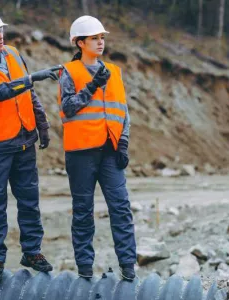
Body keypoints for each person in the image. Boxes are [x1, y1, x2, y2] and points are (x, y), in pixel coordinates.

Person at [0, 9, 58, 282]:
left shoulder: (12, 54)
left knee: (29, 201)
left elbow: (28, 93)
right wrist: (32, 77)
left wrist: (42, 123)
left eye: (1, 31)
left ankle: (32, 251)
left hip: (24, 140)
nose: (0, 36)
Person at [58, 15, 137, 281]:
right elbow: (67, 108)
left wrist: (123, 142)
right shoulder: (69, 72)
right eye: (94, 38)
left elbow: (122, 111)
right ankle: (85, 270)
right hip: (80, 154)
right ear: (80, 43)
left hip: (110, 152)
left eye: (102, 37)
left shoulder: (114, 71)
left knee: (121, 207)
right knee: (83, 212)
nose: (100, 42)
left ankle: (128, 267)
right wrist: (93, 85)